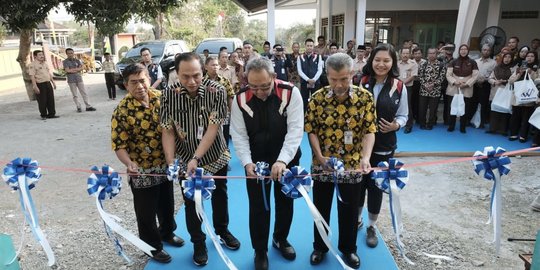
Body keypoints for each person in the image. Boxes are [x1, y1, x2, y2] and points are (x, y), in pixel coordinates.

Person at [161, 52, 240, 266]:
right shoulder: (168, 94)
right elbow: (167, 130)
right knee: (191, 202)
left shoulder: (217, 91)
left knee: (220, 196)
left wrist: (197, 157)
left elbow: (213, 128)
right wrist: (171, 161)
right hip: (185, 158)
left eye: (196, 75)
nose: (192, 81)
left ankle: (222, 231)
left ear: (203, 70)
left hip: (214, 155)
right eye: (185, 76)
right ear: (176, 74)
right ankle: (198, 242)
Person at [230, 57, 303, 270]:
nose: (260, 92)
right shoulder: (240, 99)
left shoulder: (291, 93)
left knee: (285, 201)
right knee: (259, 206)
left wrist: (282, 160)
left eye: (264, 86)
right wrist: (246, 163)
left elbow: (296, 130)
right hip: (256, 161)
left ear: (273, 77)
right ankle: (260, 250)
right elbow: (239, 134)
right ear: (246, 81)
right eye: (254, 87)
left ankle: (280, 239)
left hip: (286, 158)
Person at [305, 53, 376, 269]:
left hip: (352, 165)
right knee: (321, 208)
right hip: (322, 165)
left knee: (349, 210)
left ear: (352, 74)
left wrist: (365, 157)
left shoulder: (365, 98)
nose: (339, 84)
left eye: (344, 79)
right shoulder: (316, 98)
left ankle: (349, 249)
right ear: (327, 75)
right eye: (334, 79)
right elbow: (312, 131)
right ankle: (320, 246)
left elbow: (369, 131)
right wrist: (319, 156)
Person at [111, 63, 184, 264]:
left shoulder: (162, 99)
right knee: (146, 212)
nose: (140, 86)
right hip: (141, 170)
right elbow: (119, 144)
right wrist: (129, 163)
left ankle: (168, 233)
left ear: (149, 80)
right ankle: (152, 247)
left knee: (167, 203)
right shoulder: (122, 111)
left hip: (165, 165)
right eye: (133, 83)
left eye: (142, 80)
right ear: (126, 85)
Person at [355, 44, 408, 250]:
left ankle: (371, 226)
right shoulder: (361, 82)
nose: (381, 64)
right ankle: (357, 220)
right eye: (377, 60)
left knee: (376, 187)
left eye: (386, 60)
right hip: (359, 147)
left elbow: (404, 115)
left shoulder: (399, 87)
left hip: (384, 146)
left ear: (392, 62)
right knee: (358, 185)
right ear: (371, 60)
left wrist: (396, 125)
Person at [445, 44, 479, 133]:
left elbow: (475, 76)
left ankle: (462, 126)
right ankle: (451, 125)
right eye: (461, 49)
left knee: (465, 107)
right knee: (452, 106)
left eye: (465, 49)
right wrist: (455, 82)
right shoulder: (453, 61)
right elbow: (448, 75)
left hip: (466, 88)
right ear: (459, 51)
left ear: (468, 51)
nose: (463, 51)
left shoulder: (473, 62)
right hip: (454, 87)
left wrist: (467, 84)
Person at [508, 51, 539, 142]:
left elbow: (538, 81)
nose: (529, 58)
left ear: (535, 58)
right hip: (517, 96)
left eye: (532, 56)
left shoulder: (537, 69)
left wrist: (531, 73)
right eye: (527, 56)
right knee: (515, 117)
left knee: (526, 118)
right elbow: (510, 81)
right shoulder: (519, 68)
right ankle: (513, 134)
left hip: (529, 97)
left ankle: (523, 135)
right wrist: (519, 74)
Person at [204, 56, 235, 147]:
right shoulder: (201, 82)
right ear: (206, 67)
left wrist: (232, 113)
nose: (215, 67)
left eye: (217, 65)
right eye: (213, 65)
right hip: (207, 115)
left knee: (224, 138)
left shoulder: (224, 81)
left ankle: (224, 155)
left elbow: (230, 96)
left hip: (223, 114)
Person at [486, 53, 514, 135]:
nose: (507, 59)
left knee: (505, 110)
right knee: (494, 110)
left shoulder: (513, 69)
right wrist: (495, 81)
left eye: (509, 57)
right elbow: (490, 78)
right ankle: (492, 128)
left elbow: (515, 79)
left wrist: (505, 81)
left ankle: (503, 130)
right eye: (505, 57)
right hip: (496, 91)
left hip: (507, 91)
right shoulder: (497, 67)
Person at [418, 48, 446, 130]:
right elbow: (420, 76)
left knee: (433, 109)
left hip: (435, 91)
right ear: (427, 54)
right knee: (422, 108)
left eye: (433, 53)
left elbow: (442, 77)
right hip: (424, 90)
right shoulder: (423, 64)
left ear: (436, 54)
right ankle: (422, 123)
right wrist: (425, 85)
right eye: (430, 53)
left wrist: (433, 85)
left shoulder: (441, 65)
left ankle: (430, 124)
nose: (431, 55)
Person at [63, 48, 96, 113]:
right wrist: (77, 69)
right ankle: (78, 107)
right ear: (66, 54)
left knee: (84, 93)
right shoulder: (65, 62)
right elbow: (67, 70)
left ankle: (88, 106)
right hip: (71, 80)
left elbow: (82, 68)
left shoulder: (77, 60)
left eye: (71, 53)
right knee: (75, 95)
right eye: (69, 53)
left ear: (73, 53)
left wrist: (72, 70)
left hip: (79, 79)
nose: (70, 54)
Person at [472, 45, 496, 128]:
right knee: (473, 103)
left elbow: (493, 75)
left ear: (490, 52)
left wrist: (485, 80)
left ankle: (482, 122)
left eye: (488, 50)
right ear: (481, 51)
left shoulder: (493, 63)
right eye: (484, 50)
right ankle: (471, 120)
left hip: (486, 85)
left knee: (484, 104)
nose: (486, 51)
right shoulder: (476, 61)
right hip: (475, 85)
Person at [29, 50, 57, 119]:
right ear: (35, 56)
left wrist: (53, 82)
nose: (42, 56)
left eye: (42, 54)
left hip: (48, 83)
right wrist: (35, 86)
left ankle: (51, 114)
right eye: (39, 55)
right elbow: (32, 76)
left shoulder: (45, 63)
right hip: (40, 84)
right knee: (42, 100)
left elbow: (49, 73)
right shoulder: (32, 65)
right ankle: (43, 115)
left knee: (51, 99)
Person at [297, 38, 324, 111]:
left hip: (315, 82)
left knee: (316, 100)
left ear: (313, 47)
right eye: (308, 45)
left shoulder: (318, 56)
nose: (309, 47)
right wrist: (308, 79)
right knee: (304, 100)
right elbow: (299, 71)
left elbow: (320, 70)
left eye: (311, 46)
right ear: (305, 46)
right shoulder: (300, 57)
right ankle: (305, 117)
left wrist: (314, 79)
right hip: (304, 82)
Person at [397, 47, 418, 133]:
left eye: (407, 53)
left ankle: (409, 125)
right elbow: (395, 74)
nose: (405, 55)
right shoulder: (397, 63)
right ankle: (398, 122)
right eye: (403, 53)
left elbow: (413, 76)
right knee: (397, 104)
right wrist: (399, 83)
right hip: (397, 86)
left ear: (409, 54)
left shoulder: (413, 64)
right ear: (401, 54)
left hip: (408, 87)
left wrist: (403, 83)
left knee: (407, 105)